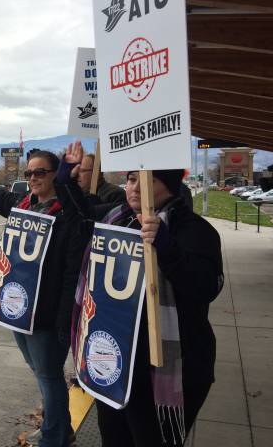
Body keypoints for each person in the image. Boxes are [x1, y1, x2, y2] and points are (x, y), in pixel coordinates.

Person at [0, 146, 90, 447]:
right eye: (29, 173)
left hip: (47, 313)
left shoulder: (68, 215)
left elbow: (70, 273)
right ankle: (60, 428)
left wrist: (64, 319)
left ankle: (53, 439)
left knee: (49, 376)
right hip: (19, 309)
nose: (33, 178)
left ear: (57, 175)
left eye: (40, 172)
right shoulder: (23, 204)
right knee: (40, 371)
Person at [75, 167, 223, 446]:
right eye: (130, 179)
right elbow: (76, 214)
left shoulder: (194, 230)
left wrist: (165, 247)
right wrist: (65, 179)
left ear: (167, 185)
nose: (133, 187)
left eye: (143, 180)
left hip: (167, 368)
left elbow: (205, 288)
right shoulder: (118, 218)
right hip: (116, 365)